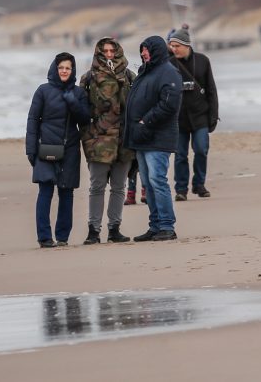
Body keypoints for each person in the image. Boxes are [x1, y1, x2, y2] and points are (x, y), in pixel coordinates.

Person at [26, 52, 91, 248]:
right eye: (61, 67)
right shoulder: (42, 90)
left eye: (68, 68)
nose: (64, 71)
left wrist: (73, 102)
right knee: (45, 191)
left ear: (73, 71)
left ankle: (62, 237)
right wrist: (31, 149)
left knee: (66, 193)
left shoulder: (79, 93)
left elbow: (85, 119)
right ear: (55, 68)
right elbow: (32, 121)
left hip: (70, 148)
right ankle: (44, 238)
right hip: (46, 147)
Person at [124, 36, 183, 242]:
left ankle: (167, 226)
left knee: (158, 181)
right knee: (148, 184)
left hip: (158, 138)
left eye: (146, 50)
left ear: (156, 50)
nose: (143, 53)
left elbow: (170, 104)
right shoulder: (145, 72)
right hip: (142, 138)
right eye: (142, 50)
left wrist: (145, 121)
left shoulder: (169, 72)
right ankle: (155, 225)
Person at [79, 38, 135, 245]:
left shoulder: (130, 76)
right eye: (105, 51)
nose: (109, 54)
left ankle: (114, 229)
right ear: (99, 53)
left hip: (123, 140)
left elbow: (137, 106)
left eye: (113, 50)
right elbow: (80, 111)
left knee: (119, 187)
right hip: (98, 140)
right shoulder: (88, 78)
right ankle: (93, 231)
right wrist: (89, 135)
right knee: (97, 186)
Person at [167, 26, 219, 201]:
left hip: (200, 116)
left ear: (187, 45)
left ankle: (199, 184)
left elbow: (211, 89)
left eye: (177, 46)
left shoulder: (203, 60)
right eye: (171, 46)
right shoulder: (168, 63)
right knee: (180, 155)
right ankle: (181, 189)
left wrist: (213, 115)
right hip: (178, 118)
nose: (174, 49)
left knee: (201, 150)